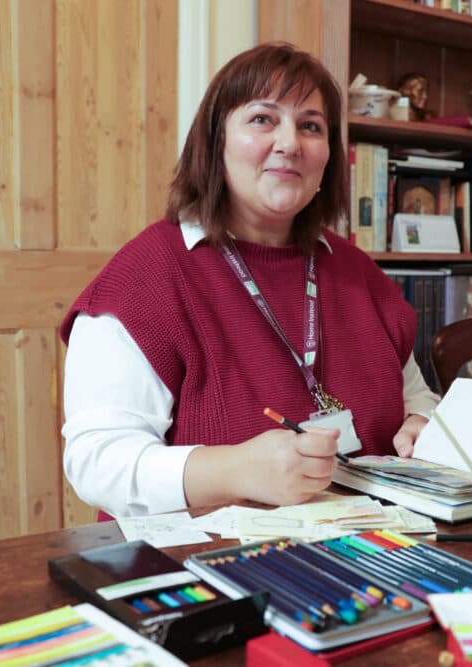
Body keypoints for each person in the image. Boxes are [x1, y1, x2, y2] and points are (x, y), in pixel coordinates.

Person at [60, 42, 440, 519]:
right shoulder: (145, 276)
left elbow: (416, 397)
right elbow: (96, 463)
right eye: (263, 119)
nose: (289, 143)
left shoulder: (359, 273)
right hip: (208, 568)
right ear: (215, 141)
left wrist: (424, 422)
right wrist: (234, 470)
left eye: (310, 126)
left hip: (368, 549)